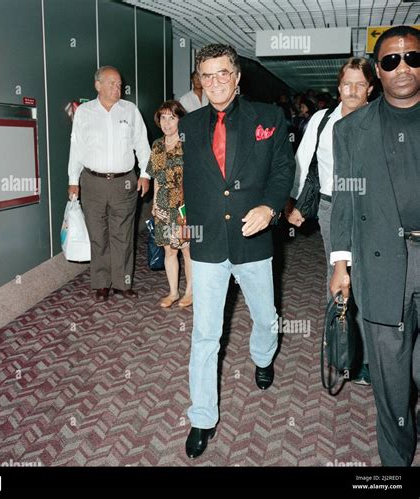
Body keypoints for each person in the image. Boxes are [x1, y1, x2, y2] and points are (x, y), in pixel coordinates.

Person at [180, 43, 295, 459]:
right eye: (207, 76)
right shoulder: (189, 126)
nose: (215, 83)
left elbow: (284, 169)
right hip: (208, 243)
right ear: (200, 80)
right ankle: (201, 417)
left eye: (223, 73)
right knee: (205, 335)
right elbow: (189, 182)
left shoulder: (268, 117)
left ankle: (263, 357)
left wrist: (269, 207)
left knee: (266, 318)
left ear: (237, 76)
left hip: (253, 240)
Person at [330, 25, 420, 466]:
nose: (403, 67)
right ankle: (396, 464)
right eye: (391, 61)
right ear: (377, 74)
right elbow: (344, 201)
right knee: (390, 378)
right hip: (381, 264)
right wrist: (340, 264)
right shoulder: (351, 130)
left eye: (412, 57)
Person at [287, 57, 376, 385]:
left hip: (373, 212)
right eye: (346, 84)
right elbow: (300, 161)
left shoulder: (379, 120)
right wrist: (291, 203)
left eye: (359, 84)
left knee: (368, 280)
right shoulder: (322, 121)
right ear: (338, 87)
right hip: (329, 207)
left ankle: (368, 357)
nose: (352, 90)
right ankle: (343, 351)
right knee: (337, 275)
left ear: (370, 87)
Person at [67, 66, 151, 301]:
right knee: (98, 233)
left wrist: (145, 174)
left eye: (119, 84)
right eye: (112, 83)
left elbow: (142, 145)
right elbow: (76, 147)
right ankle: (102, 283)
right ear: (98, 85)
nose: (118, 88)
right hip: (91, 182)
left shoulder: (130, 110)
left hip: (124, 182)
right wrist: (73, 180)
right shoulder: (84, 112)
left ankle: (123, 283)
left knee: (123, 234)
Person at [147, 100, 192, 308]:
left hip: (184, 204)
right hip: (164, 204)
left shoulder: (188, 144)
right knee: (169, 250)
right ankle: (173, 292)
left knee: (186, 250)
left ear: (180, 120)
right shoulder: (156, 145)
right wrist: (156, 202)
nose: (167, 123)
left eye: (172, 118)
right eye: (163, 117)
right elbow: (156, 176)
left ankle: (190, 292)